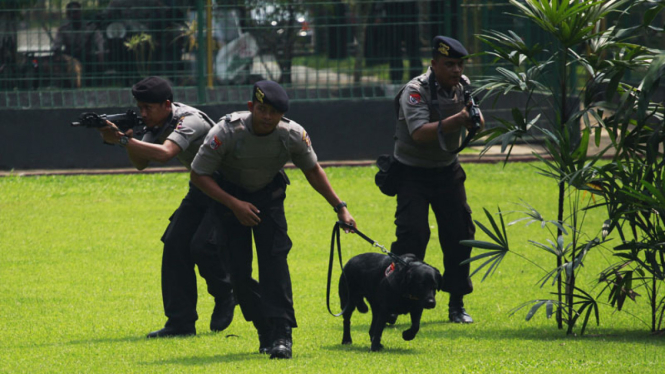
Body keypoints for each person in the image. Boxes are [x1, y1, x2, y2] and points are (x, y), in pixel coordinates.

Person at [190, 80, 356, 359]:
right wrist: (234, 205)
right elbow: (198, 175)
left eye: (274, 112)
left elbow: (313, 170)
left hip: (268, 198)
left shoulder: (292, 134)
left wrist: (340, 207)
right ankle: (263, 329)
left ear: (282, 114)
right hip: (229, 199)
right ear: (251, 107)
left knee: (274, 265)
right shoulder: (226, 132)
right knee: (238, 276)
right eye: (262, 109)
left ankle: (281, 335)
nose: (267, 117)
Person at [98, 76, 235, 338]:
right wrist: (125, 136)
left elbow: (165, 153)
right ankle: (180, 323)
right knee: (174, 244)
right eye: (140, 107)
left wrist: (122, 141)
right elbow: (141, 163)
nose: (143, 113)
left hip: (227, 186)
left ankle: (225, 292)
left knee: (201, 246)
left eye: (148, 108)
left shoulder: (189, 119)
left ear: (167, 104)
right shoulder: (156, 121)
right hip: (200, 187)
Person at [389, 36, 484, 324]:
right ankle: (395, 299)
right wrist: (460, 119)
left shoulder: (464, 86)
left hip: (447, 170)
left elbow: (476, 120)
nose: (456, 70)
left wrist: (475, 121)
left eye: (459, 64)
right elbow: (418, 133)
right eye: (449, 64)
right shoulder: (415, 91)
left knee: (460, 236)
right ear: (434, 64)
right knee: (412, 236)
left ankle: (456, 302)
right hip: (411, 172)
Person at [52, 2, 104, 69]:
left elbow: (100, 42)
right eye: (70, 13)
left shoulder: (91, 27)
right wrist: (57, 51)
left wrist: (101, 53)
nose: (74, 15)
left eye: (76, 12)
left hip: (88, 59)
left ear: (80, 12)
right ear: (68, 15)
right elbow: (57, 44)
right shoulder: (63, 29)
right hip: (70, 60)